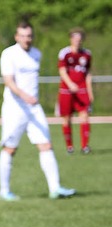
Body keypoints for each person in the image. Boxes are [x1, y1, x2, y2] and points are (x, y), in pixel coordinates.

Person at [0, 21, 76, 201]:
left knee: (46, 145)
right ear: (16, 37)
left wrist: (31, 100)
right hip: (14, 107)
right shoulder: (9, 54)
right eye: (23, 36)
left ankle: (55, 188)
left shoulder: (36, 54)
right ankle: (4, 190)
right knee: (10, 148)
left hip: (34, 108)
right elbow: (8, 81)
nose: (27, 39)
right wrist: (24, 96)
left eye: (29, 36)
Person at [57, 27, 93, 155]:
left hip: (82, 89)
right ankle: (70, 146)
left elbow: (88, 73)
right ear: (71, 39)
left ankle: (85, 146)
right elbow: (62, 71)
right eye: (75, 38)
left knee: (84, 116)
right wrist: (70, 84)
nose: (77, 41)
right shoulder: (65, 53)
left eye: (79, 39)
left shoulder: (87, 54)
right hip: (67, 90)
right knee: (67, 118)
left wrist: (90, 91)